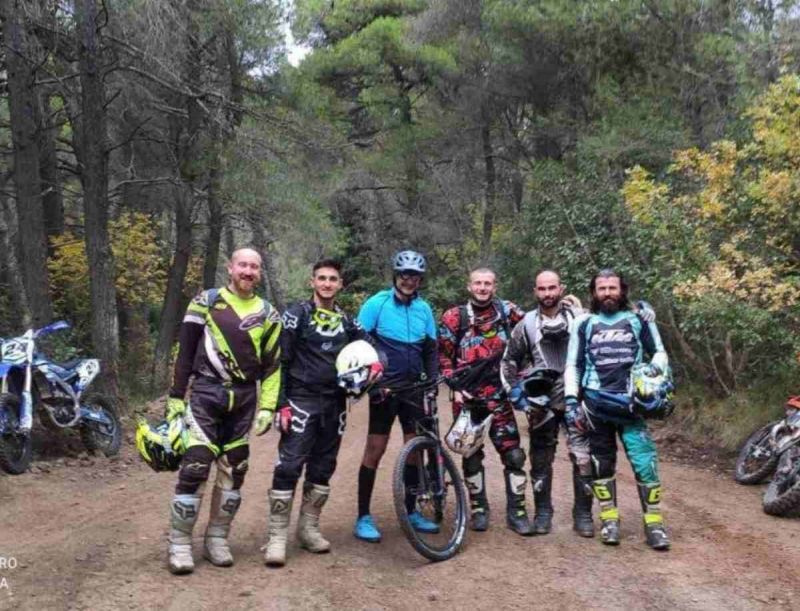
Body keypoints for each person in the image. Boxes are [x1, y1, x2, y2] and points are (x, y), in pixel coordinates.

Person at [164, 248, 282, 574]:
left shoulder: (269, 314)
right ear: (230, 267)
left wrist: (267, 406)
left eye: (254, 267)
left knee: (236, 468)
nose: (248, 271)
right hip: (206, 392)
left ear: (259, 273)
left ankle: (217, 538)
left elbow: (273, 365)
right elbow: (185, 352)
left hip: (244, 399)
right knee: (195, 464)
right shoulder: (205, 302)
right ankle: (179, 543)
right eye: (242, 265)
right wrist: (176, 397)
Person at [263, 259, 383, 566]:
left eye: (333, 279)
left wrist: (377, 365)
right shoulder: (296, 315)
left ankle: (308, 529)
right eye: (322, 278)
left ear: (340, 284)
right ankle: (277, 537)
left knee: (323, 467)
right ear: (312, 282)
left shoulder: (347, 321)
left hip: (335, 403)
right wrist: (280, 403)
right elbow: (280, 360)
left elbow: (371, 346)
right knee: (289, 466)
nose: (327, 283)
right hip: (300, 400)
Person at [564, 269, 671, 550]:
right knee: (602, 464)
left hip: (632, 406)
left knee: (645, 464)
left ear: (622, 290)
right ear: (594, 293)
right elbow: (573, 364)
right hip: (596, 405)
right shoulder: (584, 323)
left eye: (612, 288)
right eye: (602, 289)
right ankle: (609, 520)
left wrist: (652, 376)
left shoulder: (640, 319)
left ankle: (654, 525)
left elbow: (659, 352)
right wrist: (571, 400)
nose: (607, 293)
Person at [353, 250, 439, 542]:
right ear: (395, 275)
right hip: (385, 389)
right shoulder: (376, 304)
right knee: (374, 449)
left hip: (413, 389)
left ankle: (411, 510)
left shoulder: (424, 309)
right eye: (404, 275)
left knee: (414, 450)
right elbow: (357, 343)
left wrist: (432, 381)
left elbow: (430, 349)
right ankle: (363, 516)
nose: (408, 280)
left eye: (414, 276)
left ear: (420, 280)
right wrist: (371, 384)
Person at [500, 270, 595, 537]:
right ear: (535, 291)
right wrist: (517, 394)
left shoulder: (581, 318)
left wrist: (641, 314)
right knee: (540, 459)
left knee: (583, 457)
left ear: (561, 288)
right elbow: (509, 360)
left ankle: (583, 514)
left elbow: (611, 326)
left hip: (577, 399)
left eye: (552, 288)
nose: (547, 293)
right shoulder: (527, 324)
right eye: (542, 289)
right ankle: (543, 512)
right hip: (542, 401)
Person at [439, 268, 531, 534]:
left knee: (513, 455)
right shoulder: (454, 317)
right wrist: (455, 386)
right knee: (471, 455)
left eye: (487, 283)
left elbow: (535, 329)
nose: (482, 288)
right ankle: (479, 508)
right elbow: (442, 356)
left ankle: (517, 511)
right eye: (478, 283)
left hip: (500, 397)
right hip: (468, 400)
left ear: (495, 286)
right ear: (469, 286)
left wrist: (570, 311)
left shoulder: (508, 311)